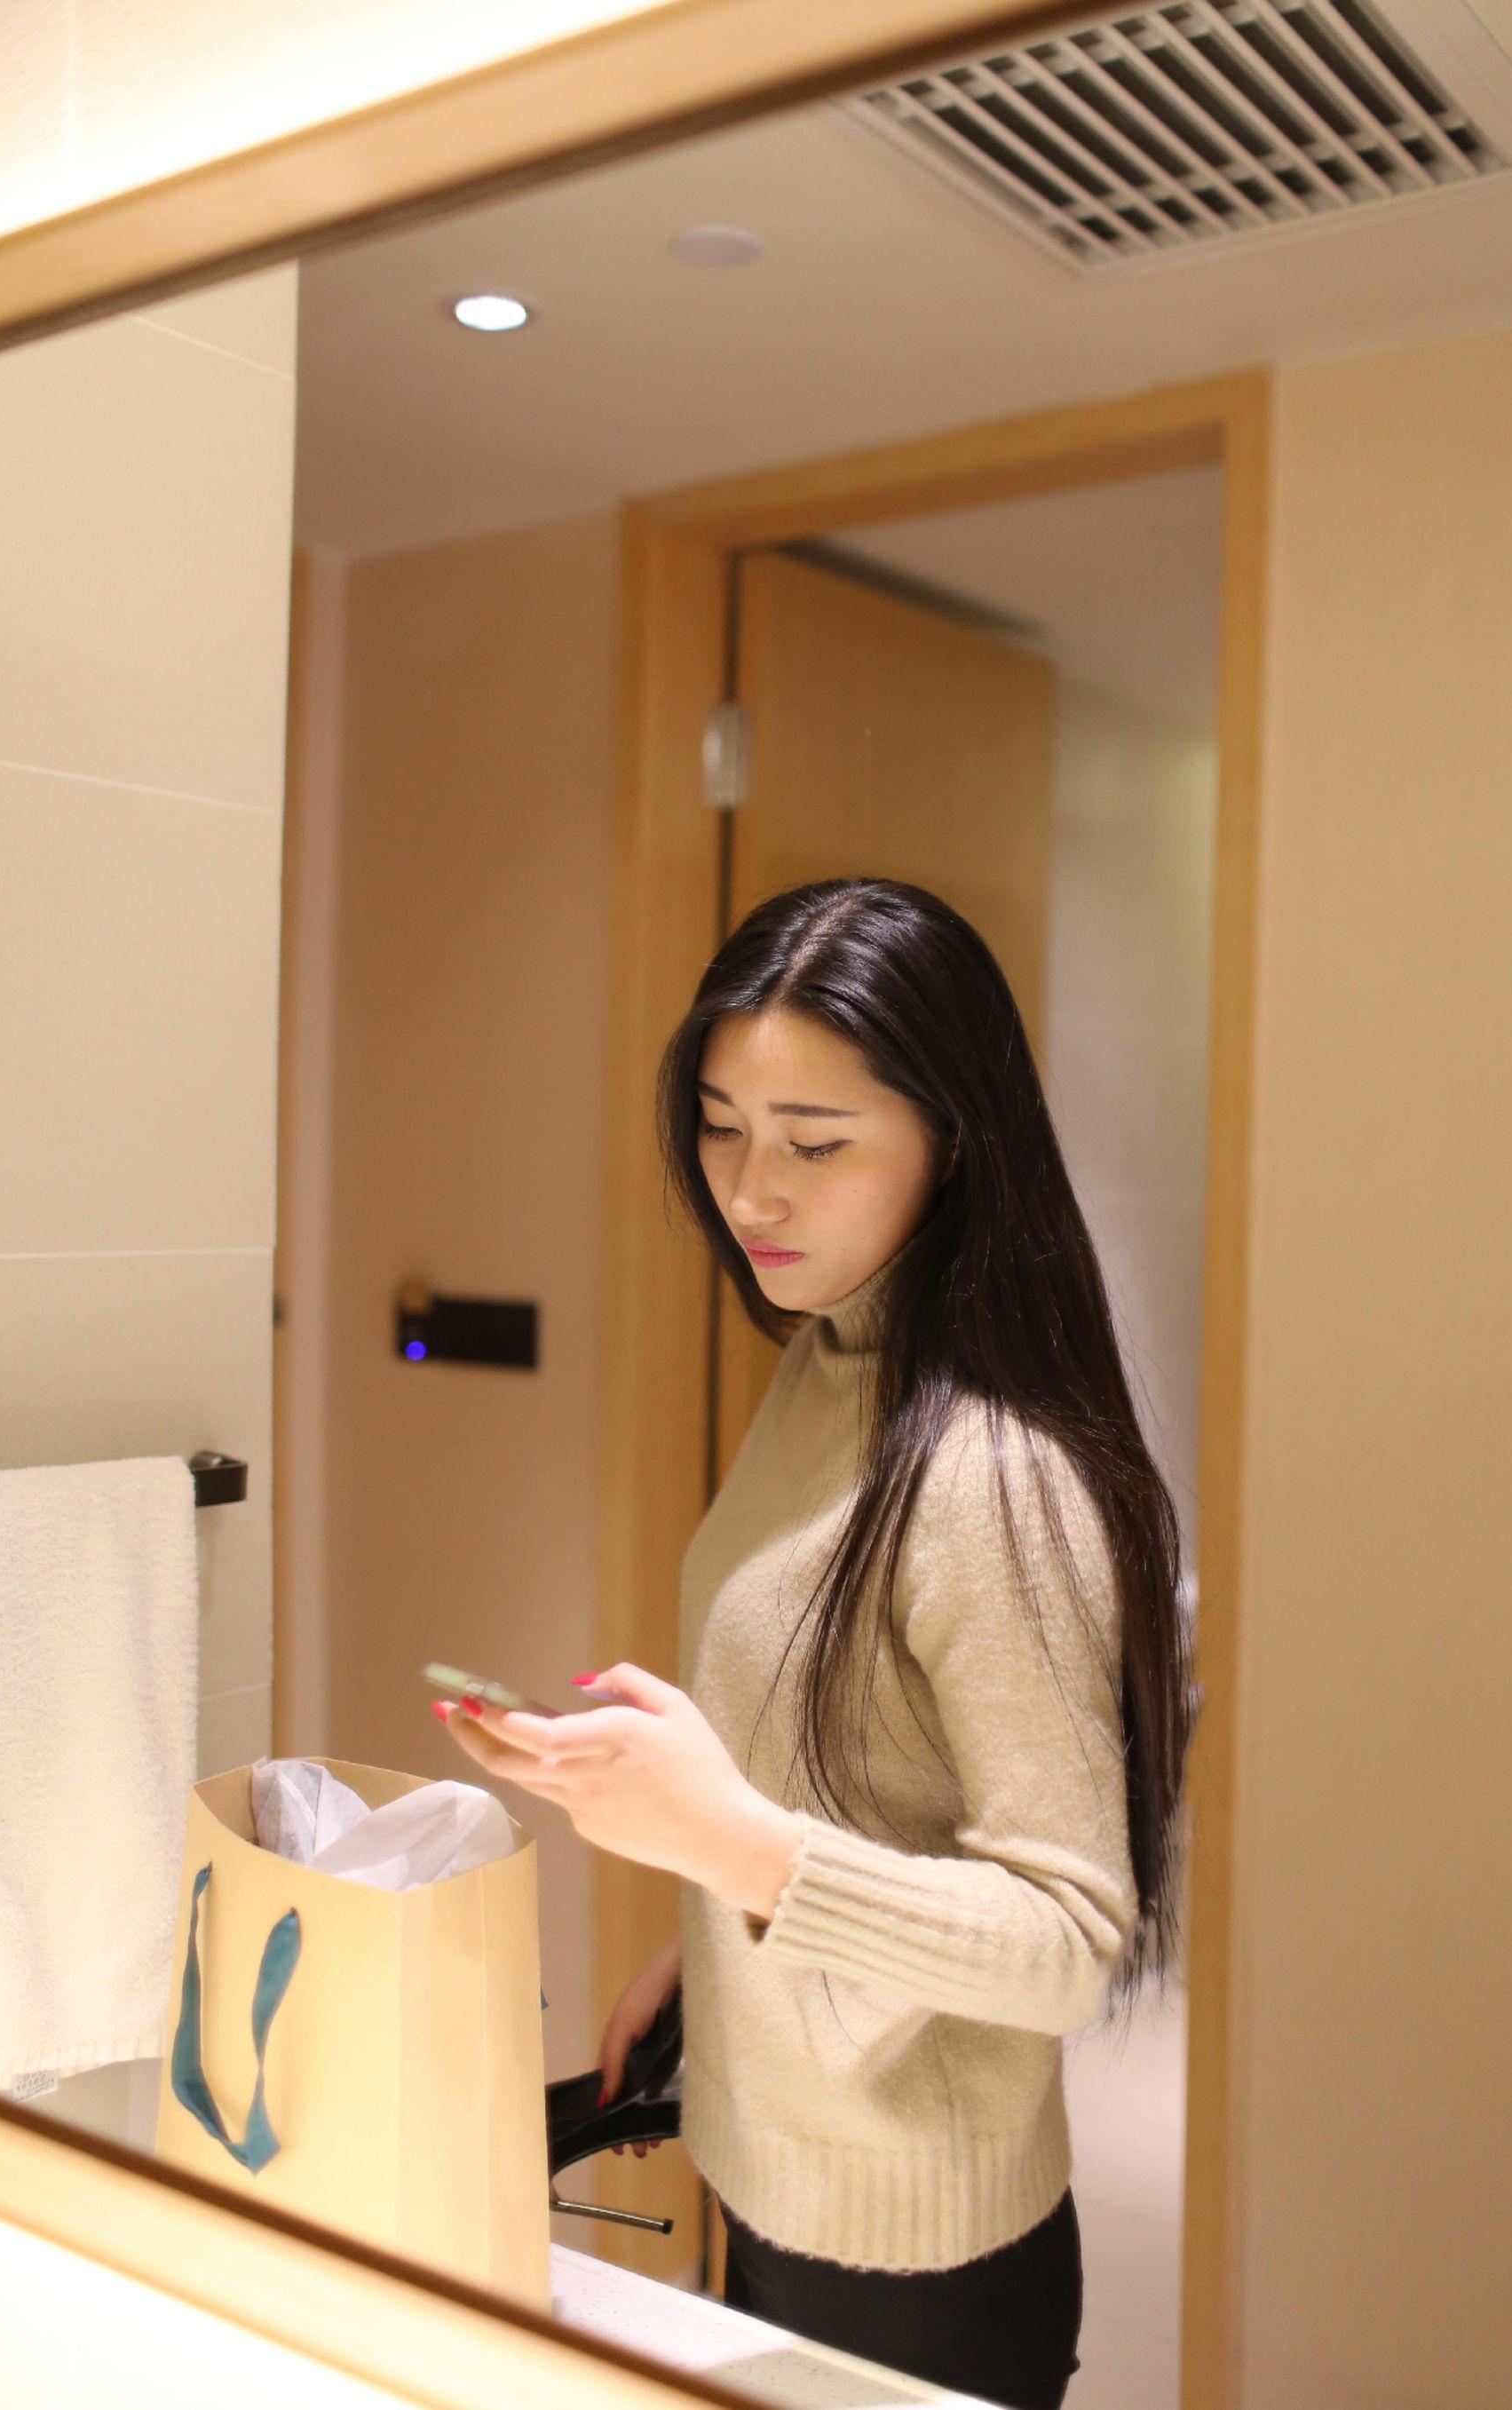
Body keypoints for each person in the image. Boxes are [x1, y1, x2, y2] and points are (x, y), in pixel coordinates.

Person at [441, 876, 1197, 2410]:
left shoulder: (991, 1472)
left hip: (920, 2263)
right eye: (721, 1125)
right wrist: (713, 1943)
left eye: (815, 1141)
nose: (750, 1192)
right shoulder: (827, 1360)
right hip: (775, 2182)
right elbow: (853, 1777)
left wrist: (735, 1848)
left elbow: (1067, 1939)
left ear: (954, 1137)